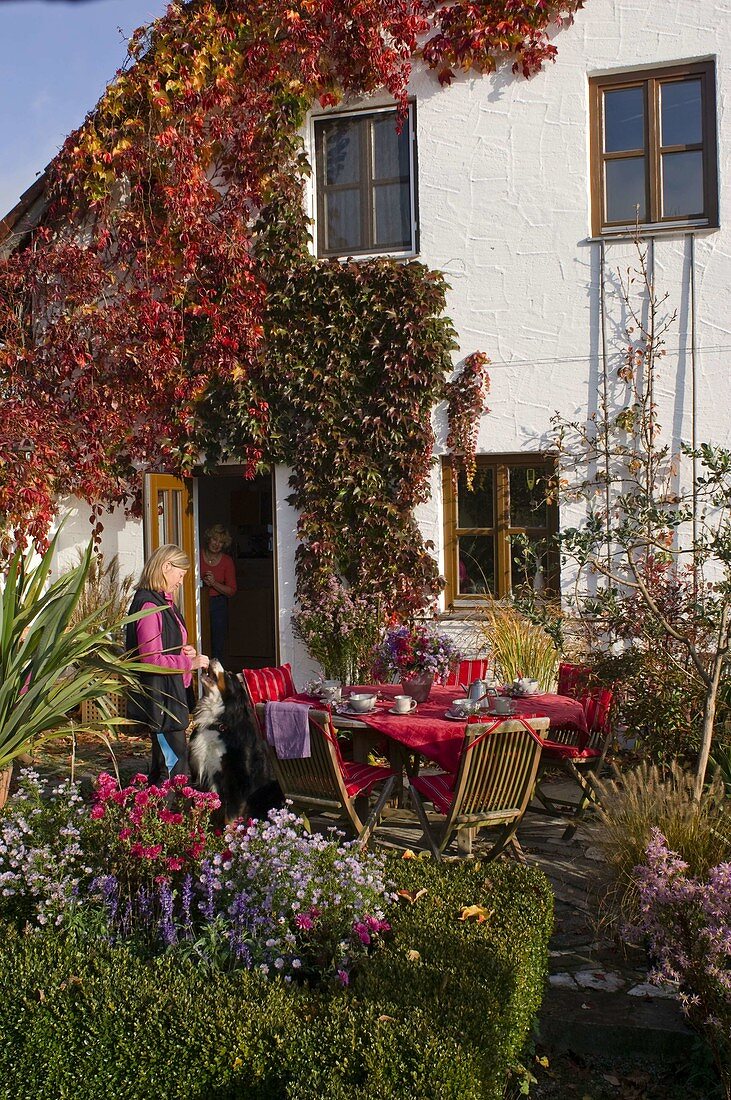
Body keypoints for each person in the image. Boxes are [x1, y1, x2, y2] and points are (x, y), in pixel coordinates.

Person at [126, 544, 209, 784]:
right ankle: (168, 816)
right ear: (165, 567)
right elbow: (151, 659)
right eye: (180, 574)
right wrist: (189, 662)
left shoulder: (165, 603)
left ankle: (160, 815)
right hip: (161, 700)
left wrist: (185, 650)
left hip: (170, 698)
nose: (181, 581)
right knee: (173, 769)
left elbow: (167, 646)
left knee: (168, 763)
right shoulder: (149, 606)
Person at [200, 524, 237, 664]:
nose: (217, 544)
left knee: (217, 644)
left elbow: (232, 590)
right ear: (209, 539)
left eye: (221, 542)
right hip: (198, 602)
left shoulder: (227, 561)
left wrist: (214, 583)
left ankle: (217, 679)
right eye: (215, 539)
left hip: (218, 604)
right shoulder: (196, 554)